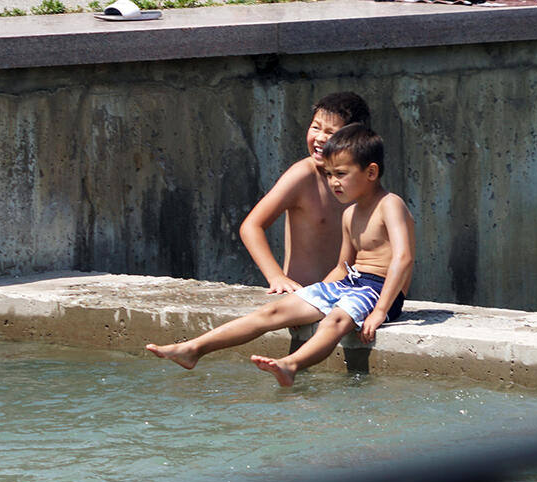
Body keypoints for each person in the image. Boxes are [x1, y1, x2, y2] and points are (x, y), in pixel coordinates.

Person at [148, 124, 415, 386]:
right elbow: (342, 268)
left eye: (341, 174)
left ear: (371, 172)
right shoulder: (349, 214)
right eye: (329, 174)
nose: (334, 182)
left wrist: (380, 311)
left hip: (378, 291)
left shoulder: (390, 204)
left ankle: (291, 365)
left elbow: (403, 258)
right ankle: (194, 349)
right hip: (350, 284)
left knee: (336, 320)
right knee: (275, 310)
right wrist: (311, 302)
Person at [239, 92, 371, 294]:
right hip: (302, 295)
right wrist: (276, 277)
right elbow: (250, 226)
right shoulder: (302, 175)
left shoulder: (360, 181)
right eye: (315, 127)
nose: (320, 138)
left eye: (330, 132)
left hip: (344, 294)